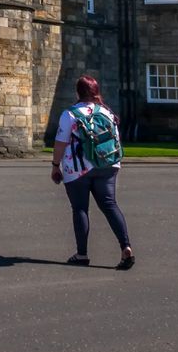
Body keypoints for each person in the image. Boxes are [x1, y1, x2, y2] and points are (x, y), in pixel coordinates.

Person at [50, 75, 135, 270]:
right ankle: (126, 247)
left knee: (80, 209)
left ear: (77, 92)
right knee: (110, 205)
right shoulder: (106, 112)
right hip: (107, 165)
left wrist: (55, 166)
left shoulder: (70, 114)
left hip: (78, 168)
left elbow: (60, 143)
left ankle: (82, 254)